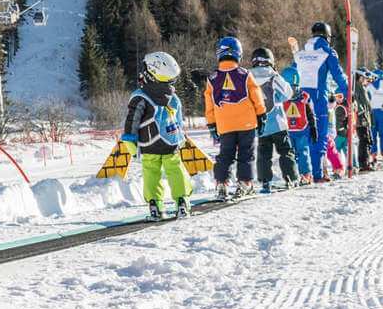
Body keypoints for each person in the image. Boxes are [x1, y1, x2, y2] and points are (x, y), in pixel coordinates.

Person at [121, 52, 191, 220]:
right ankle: (182, 202)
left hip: (149, 143)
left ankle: (155, 206)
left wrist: (130, 141)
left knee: (151, 173)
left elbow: (132, 120)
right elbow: (179, 121)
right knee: (175, 170)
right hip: (171, 142)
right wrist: (181, 138)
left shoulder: (140, 96)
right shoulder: (173, 97)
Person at [203, 36, 264, 200]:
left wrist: (211, 125)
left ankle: (222, 184)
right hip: (247, 124)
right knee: (246, 154)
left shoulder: (212, 79)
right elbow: (256, 96)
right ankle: (244, 183)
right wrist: (261, 115)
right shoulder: (245, 74)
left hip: (225, 126)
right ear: (238, 54)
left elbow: (209, 105)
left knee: (225, 155)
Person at [286, 23, 349, 183]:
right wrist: (349, 92)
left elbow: (294, 74)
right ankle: (318, 174)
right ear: (327, 37)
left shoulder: (301, 53)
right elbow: (338, 76)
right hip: (318, 98)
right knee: (320, 137)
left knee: (303, 137)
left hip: (300, 99)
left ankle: (305, 173)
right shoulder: (328, 52)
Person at [247, 47, 297, 193]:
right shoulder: (274, 76)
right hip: (279, 123)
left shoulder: (248, 78)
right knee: (285, 151)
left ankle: (265, 182)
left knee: (264, 155)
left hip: (261, 125)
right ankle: (290, 178)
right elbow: (287, 93)